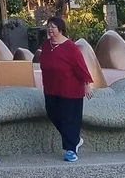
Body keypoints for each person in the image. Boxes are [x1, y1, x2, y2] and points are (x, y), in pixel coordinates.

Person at [40, 15, 94, 162]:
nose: (50, 30)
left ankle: (71, 149)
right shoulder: (46, 45)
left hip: (70, 90)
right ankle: (75, 139)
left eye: (53, 27)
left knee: (70, 119)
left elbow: (80, 67)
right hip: (51, 88)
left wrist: (87, 85)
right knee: (52, 113)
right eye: (49, 27)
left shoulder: (70, 47)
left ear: (61, 29)